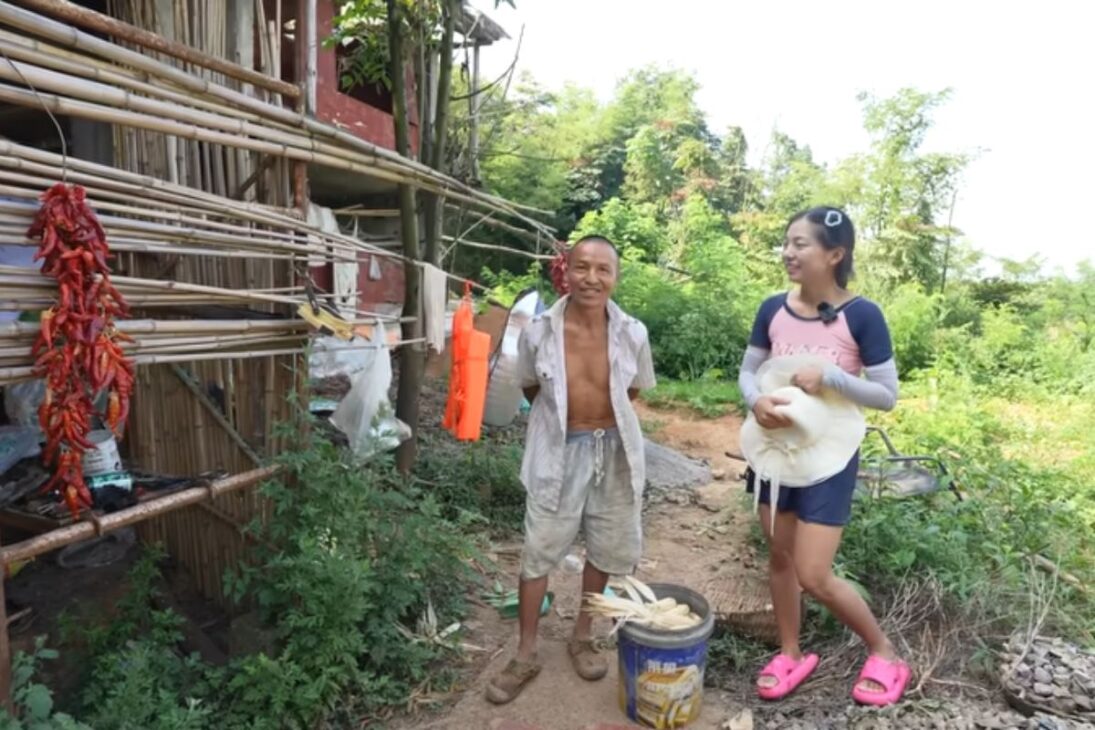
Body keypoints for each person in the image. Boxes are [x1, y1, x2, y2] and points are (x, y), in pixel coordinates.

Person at [737, 206, 909, 706]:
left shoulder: (862, 315)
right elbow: (749, 372)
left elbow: (886, 394)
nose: (789, 252)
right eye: (787, 242)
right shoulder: (772, 308)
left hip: (828, 459)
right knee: (779, 556)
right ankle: (790, 651)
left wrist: (830, 375)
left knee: (814, 573)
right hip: (775, 450)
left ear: (835, 255)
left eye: (801, 244)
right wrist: (756, 400)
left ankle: (885, 651)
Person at [485, 235, 656, 705]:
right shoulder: (539, 330)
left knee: (603, 545)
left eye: (603, 269)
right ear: (566, 270)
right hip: (557, 451)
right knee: (538, 550)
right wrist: (568, 423)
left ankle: (582, 633)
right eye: (583, 267)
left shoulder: (632, 333)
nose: (592, 278)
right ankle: (525, 652)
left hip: (614, 452)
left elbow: (632, 393)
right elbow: (529, 387)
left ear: (615, 277)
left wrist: (598, 423)